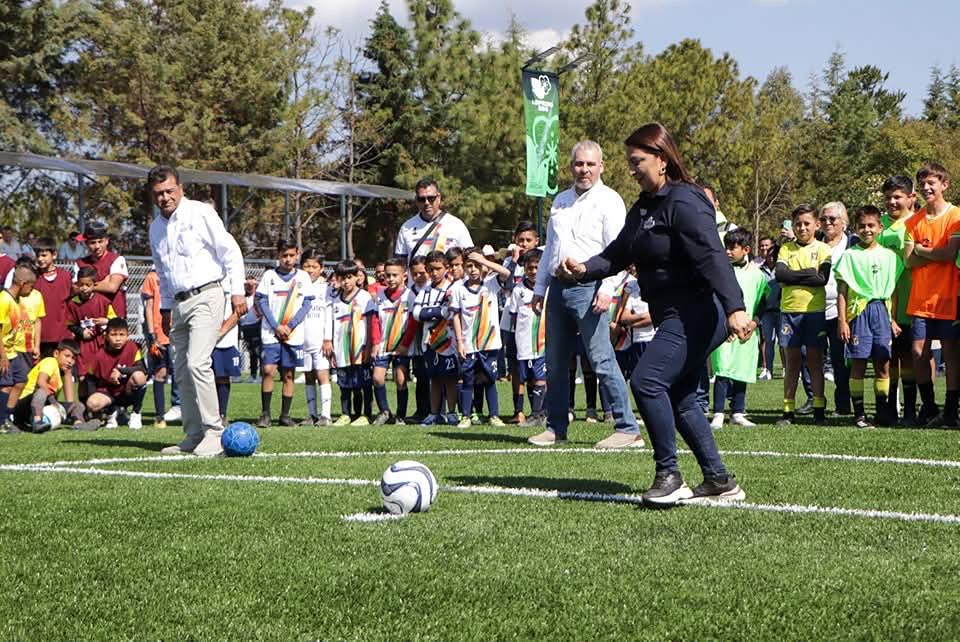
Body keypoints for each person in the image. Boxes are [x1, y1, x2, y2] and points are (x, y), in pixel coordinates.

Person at [562, 123, 749, 505]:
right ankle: (719, 481)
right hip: (673, 314)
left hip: (699, 311)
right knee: (679, 396)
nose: (631, 170)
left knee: (647, 381)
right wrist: (585, 268)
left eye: (637, 162)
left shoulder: (686, 201)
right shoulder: (645, 207)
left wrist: (735, 308)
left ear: (662, 159)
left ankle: (670, 474)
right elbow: (618, 253)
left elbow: (713, 256)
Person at [527, 139, 642, 449]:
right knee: (555, 361)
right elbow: (550, 248)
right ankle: (556, 427)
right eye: (579, 164)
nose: (584, 169)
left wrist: (607, 289)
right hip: (558, 287)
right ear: (571, 166)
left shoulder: (610, 201)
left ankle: (627, 427)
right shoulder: (560, 201)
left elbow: (618, 252)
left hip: (590, 288)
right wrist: (540, 288)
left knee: (602, 359)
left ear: (601, 166)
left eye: (590, 164)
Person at [148, 165, 247, 457]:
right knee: (180, 369)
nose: (165, 197)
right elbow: (162, 272)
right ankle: (193, 435)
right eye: (159, 194)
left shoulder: (200, 213)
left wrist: (238, 291)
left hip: (208, 294)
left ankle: (214, 433)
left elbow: (230, 252)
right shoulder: (155, 227)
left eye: (170, 191)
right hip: (178, 304)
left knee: (197, 362)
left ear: (181, 188)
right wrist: (165, 307)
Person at [835, 206, 903, 428]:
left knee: (883, 362)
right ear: (856, 228)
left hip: (881, 312)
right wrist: (843, 321)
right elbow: (842, 292)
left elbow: (894, 290)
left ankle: (883, 411)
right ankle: (860, 414)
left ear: (880, 227)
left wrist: (892, 318)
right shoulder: (849, 255)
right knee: (859, 362)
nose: (867, 230)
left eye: (871, 225)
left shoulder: (890, 257)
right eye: (862, 226)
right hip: (859, 312)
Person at [904, 162, 960, 427]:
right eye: (923, 183)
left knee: (950, 354)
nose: (927, 188)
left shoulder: (956, 216)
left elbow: (949, 254)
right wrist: (932, 254)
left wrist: (922, 250)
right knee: (918, 351)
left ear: (944, 185)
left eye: (932, 183)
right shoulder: (913, 221)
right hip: (921, 298)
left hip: (949, 296)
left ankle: (951, 410)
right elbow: (908, 261)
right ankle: (928, 406)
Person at [775, 204, 832, 425]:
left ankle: (819, 408)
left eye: (807, 223)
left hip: (813, 312)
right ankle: (788, 411)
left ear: (816, 225)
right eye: (798, 224)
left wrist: (792, 276)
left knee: (815, 361)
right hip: (789, 312)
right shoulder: (786, 249)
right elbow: (780, 274)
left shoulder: (823, 249)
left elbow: (822, 279)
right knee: (792, 362)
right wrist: (808, 273)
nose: (802, 228)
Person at [710, 228, 768, 428]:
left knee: (742, 370)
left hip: (747, 332)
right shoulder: (720, 272)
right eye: (726, 247)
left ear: (746, 249)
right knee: (723, 369)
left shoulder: (758, 275)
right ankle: (718, 412)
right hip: (725, 332)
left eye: (733, 248)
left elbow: (763, 303)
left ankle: (738, 412)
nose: (728, 251)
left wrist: (753, 324)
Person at [255, 240, 313, 428]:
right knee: (268, 370)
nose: (288, 259)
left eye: (291, 255)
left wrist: (291, 325)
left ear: (297, 254)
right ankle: (265, 414)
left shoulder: (303, 277)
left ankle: (285, 415)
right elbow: (262, 301)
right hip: (271, 332)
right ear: (278, 255)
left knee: (288, 374)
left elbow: (306, 304)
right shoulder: (269, 276)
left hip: (292, 333)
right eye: (284, 255)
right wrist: (275, 326)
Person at [451, 249, 511, 427]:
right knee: (468, 380)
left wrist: (484, 260)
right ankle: (466, 416)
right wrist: (460, 342)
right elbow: (456, 316)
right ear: (463, 268)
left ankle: (494, 415)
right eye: (469, 265)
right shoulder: (458, 289)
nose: (473, 269)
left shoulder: (490, 284)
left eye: (477, 266)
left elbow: (507, 273)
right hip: (468, 345)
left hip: (490, 344)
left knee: (490, 379)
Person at [878, 175, 919, 423]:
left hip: (911, 302)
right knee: (888, 358)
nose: (892, 202)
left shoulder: (917, 223)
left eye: (897, 197)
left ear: (911, 198)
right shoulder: (877, 225)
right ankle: (889, 408)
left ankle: (913, 409)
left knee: (910, 357)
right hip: (883, 305)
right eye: (888, 197)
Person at [327, 260, 378, 425]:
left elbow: (370, 324)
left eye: (349, 277)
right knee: (344, 384)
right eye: (342, 278)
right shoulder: (335, 300)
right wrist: (331, 344)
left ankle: (365, 414)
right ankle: (346, 414)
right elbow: (332, 324)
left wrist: (370, 346)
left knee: (363, 383)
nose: (346, 282)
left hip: (360, 349)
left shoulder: (364, 297)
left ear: (357, 277)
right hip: (342, 349)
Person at [412, 250, 459, 425]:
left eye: (438, 269)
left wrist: (431, 312)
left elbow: (450, 311)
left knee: (450, 378)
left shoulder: (453, 288)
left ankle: (452, 411)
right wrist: (437, 312)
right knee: (435, 378)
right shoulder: (425, 290)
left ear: (446, 268)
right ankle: (434, 413)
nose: (434, 273)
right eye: (430, 269)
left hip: (449, 341)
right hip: (429, 341)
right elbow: (417, 313)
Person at [6, 340, 93, 433]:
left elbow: (69, 397)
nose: (70, 361)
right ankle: (37, 421)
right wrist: (54, 402)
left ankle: (79, 424)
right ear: (56, 353)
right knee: (42, 391)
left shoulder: (61, 372)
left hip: (42, 404)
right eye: (67, 356)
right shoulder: (50, 361)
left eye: (73, 358)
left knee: (77, 405)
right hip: (25, 405)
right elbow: (41, 382)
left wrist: (67, 408)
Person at [371, 258, 417, 425]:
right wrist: (376, 342)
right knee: (377, 378)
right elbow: (375, 320)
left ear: (404, 276)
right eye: (386, 275)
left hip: (401, 345)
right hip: (383, 344)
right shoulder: (380, 296)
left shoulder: (409, 295)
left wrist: (405, 344)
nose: (390, 279)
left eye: (394, 275)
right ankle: (384, 411)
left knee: (400, 379)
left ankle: (401, 415)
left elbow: (412, 322)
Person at [505, 249, 548, 426]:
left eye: (537, 267)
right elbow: (514, 316)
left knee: (540, 377)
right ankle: (532, 412)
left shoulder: (547, 289)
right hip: (523, 343)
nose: (533, 271)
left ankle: (538, 413)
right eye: (530, 268)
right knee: (527, 378)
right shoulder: (518, 291)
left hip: (542, 342)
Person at [820, 202, 853, 415]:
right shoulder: (813, 244)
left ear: (844, 222)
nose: (828, 223)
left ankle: (843, 405)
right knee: (809, 358)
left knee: (841, 361)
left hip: (842, 311)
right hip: (814, 308)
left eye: (832, 219)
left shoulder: (853, 244)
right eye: (823, 219)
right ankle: (815, 401)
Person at [84, 318, 147, 429]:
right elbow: (90, 379)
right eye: (113, 335)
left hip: (126, 391)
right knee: (92, 403)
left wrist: (121, 371)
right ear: (106, 336)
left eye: (122, 334)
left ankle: (136, 413)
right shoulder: (98, 355)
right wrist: (95, 412)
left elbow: (142, 369)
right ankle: (111, 412)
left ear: (127, 335)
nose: (118, 339)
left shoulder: (133, 347)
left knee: (139, 376)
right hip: (108, 393)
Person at [0, 266, 42, 428]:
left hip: (12, 351)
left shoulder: (15, 300)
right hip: (4, 351)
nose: (31, 290)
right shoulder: (4, 300)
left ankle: (7, 417)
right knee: (5, 385)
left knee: (20, 380)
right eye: (31, 286)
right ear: (23, 283)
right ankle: (1, 422)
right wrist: (2, 356)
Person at [394, 178, 474, 262]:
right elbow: (400, 264)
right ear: (416, 200)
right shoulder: (407, 227)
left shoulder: (456, 225)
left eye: (431, 198)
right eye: (422, 199)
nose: (427, 203)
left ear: (438, 197)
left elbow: (470, 258)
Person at [141, 269, 180, 428]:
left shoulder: (179, 274)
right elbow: (149, 307)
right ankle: (159, 415)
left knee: (180, 370)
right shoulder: (152, 276)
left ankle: (179, 407)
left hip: (177, 331)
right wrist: (151, 335)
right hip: (159, 333)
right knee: (160, 372)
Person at [298, 251, 333, 426]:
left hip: (320, 341)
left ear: (321, 268)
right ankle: (311, 415)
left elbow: (328, 315)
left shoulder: (326, 288)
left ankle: (325, 415)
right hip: (302, 340)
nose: (310, 270)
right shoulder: (297, 286)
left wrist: (327, 339)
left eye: (314, 267)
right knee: (308, 376)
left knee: (322, 375)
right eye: (307, 266)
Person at [73, 220, 128, 318]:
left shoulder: (117, 259)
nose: (97, 246)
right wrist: (104, 283)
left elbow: (112, 287)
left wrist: (85, 286)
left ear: (107, 241)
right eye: (92, 243)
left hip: (113, 318)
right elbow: (75, 289)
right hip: (88, 318)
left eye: (100, 241)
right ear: (86, 243)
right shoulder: (79, 263)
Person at [32, 238, 73, 358]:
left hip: (62, 336)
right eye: (38, 255)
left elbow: (71, 304)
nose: (40, 259)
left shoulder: (66, 277)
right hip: (40, 338)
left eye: (44, 255)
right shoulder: (34, 277)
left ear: (54, 255)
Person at [407, 256, 431, 422]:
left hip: (434, 340)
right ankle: (421, 410)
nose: (418, 277)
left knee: (438, 378)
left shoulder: (433, 289)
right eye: (414, 274)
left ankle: (439, 410)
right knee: (421, 376)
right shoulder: (410, 292)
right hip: (417, 342)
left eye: (422, 273)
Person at [212, 288, 241, 425]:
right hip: (205, 334)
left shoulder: (231, 282)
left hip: (226, 338)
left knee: (223, 376)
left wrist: (222, 331)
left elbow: (240, 310)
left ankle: (222, 414)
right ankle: (207, 414)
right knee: (205, 376)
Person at [756, 237, 781, 380]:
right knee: (766, 340)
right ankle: (767, 369)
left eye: (769, 248)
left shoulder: (782, 266)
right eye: (762, 247)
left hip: (781, 310)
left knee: (784, 342)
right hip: (766, 311)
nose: (766, 251)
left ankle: (786, 369)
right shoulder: (759, 267)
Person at [238, 275, 262, 383]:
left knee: (259, 351)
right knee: (251, 352)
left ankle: (262, 375)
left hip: (256, 325)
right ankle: (253, 375)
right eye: (247, 285)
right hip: (245, 326)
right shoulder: (243, 297)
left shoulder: (259, 296)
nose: (249, 287)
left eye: (251, 285)